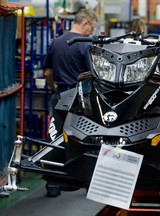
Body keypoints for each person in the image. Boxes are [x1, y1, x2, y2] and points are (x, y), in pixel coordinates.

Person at [44, 8, 98, 197]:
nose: (92, 32)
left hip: (61, 95)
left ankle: (53, 185)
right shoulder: (85, 44)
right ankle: (88, 185)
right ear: (85, 23)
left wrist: (54, 90)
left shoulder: (56, 42)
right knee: (87, 138)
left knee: (56, 137)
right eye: (92, 27)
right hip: (81, 97)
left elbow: (47, 73)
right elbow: (94, 75)